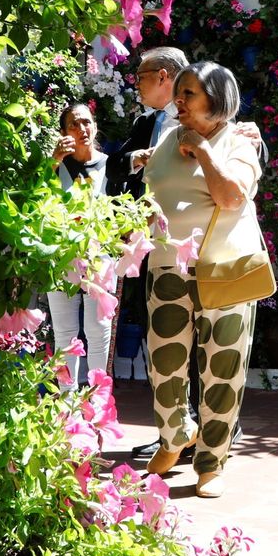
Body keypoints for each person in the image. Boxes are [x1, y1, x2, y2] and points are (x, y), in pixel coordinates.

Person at [140, 61, 269, 499]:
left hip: (225, 270)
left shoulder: (240, 143)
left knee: (222, 366)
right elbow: (152, 190)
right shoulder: (165, 138)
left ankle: (212, 461)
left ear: (218, 100)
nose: (178, 101)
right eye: (179, 92)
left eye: (189, 94)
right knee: (164, 364)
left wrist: (204, 149)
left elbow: (232, 197)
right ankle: (175, 437)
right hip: (167, 267)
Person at [108, 47, 189, 458]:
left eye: (139, 77)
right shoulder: (146, 123)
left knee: (199, 337)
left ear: (161, 77)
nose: (134, 84)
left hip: (190, 241)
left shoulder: (201, 116)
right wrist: (135, 159)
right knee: (160, 337)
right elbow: (113, 167)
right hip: (151, 242)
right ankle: (172, 432)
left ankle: (212, 435)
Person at [47, 102, 112, 383]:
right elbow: (38, 197)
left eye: (86, 122)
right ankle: (66, 405)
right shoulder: (56, 165)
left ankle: (98, 401)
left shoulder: (111, 165)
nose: (82, 129)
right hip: (62, 257)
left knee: (98, 330)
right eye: (74, 124)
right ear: (63, 132)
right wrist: (54, 160)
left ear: (95, 126)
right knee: (65, 333)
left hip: (100, 258)